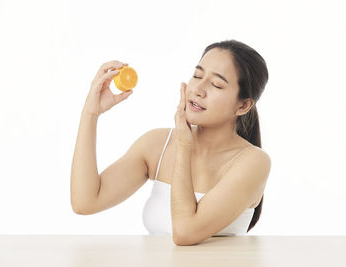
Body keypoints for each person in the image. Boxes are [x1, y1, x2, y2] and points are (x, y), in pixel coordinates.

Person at [70, 39, 271, 246]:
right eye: (197, 75)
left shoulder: (253, 162)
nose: (198, 89)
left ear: (243, 106)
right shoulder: (157, 144)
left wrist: (184, 146)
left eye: (216, 84)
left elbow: (184, 233)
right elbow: (86, 202)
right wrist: (90, 113)